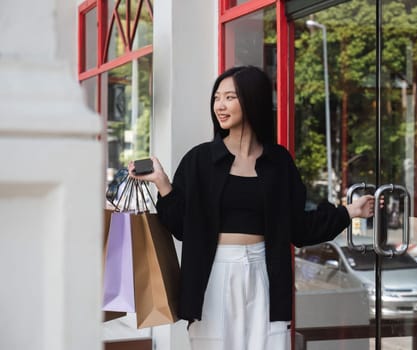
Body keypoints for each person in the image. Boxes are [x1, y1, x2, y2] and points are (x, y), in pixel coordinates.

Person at [128, 65, 375, 350]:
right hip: (214, 272)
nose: (220, 105)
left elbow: (299, 227)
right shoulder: (200, 160)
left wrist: (349, 211)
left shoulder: (278, 162)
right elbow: (182, 228)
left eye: (230, 97)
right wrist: (162, 183)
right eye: (217, 97)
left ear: (252, 100)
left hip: (265, 271)